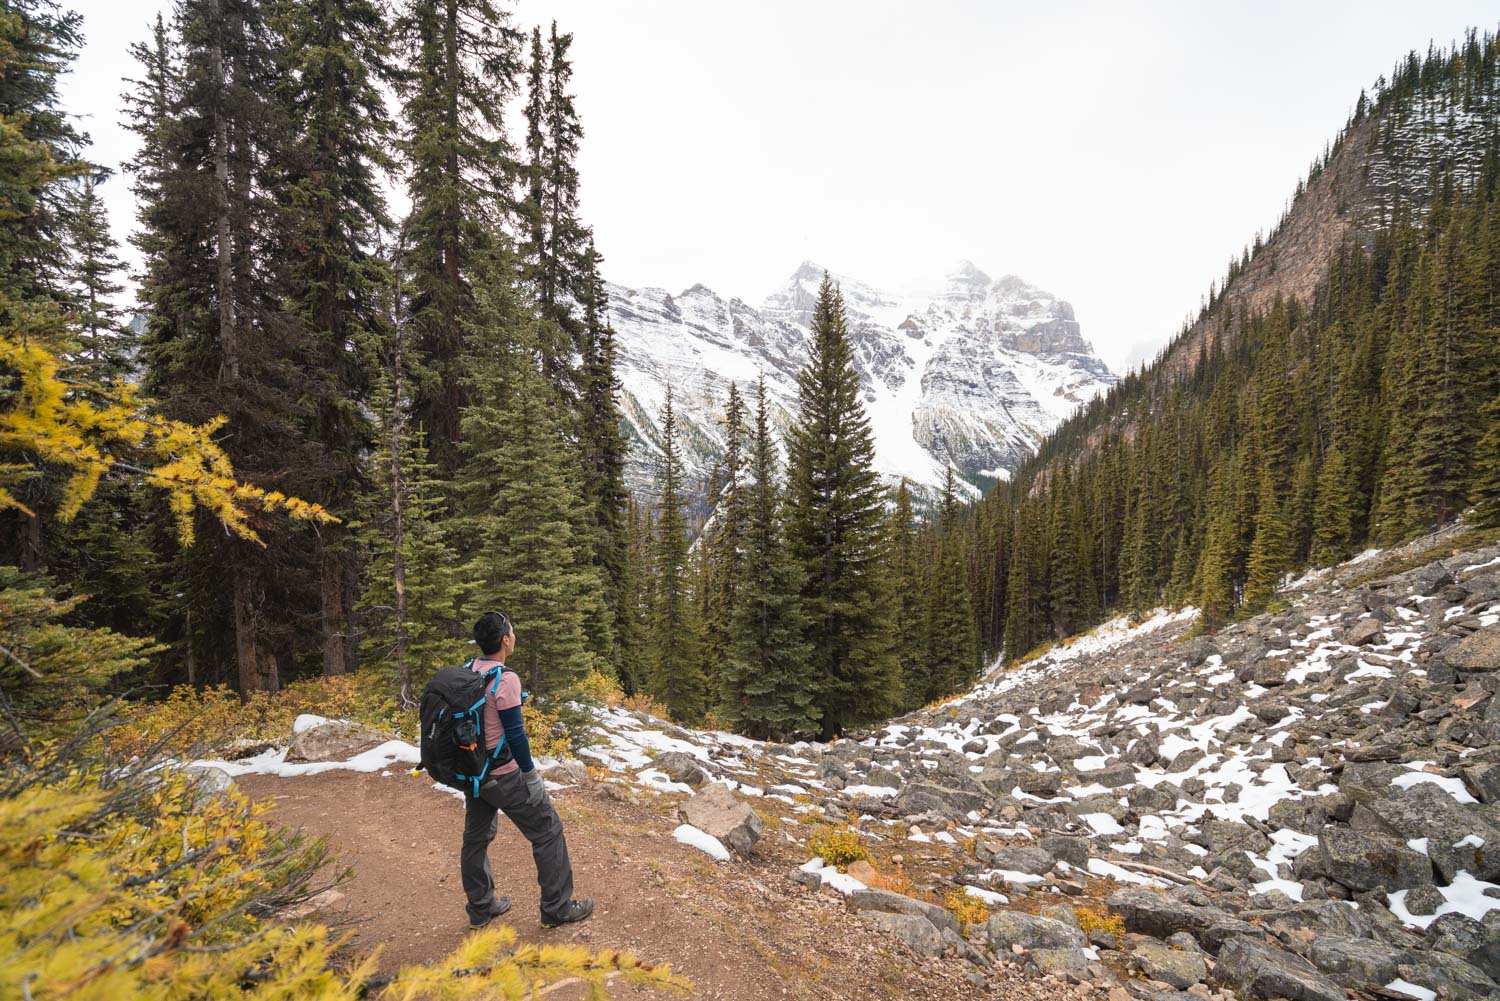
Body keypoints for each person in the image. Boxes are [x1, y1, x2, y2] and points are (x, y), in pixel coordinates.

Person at [461, 610, 594, 930]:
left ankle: (480, 908)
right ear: (505, 640)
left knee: (476, 838)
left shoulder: (469, 670)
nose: (514, 635)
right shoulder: (505, 679)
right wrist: (531, 775)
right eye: (512, 630)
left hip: (475, 773)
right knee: (547, 829)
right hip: (503, 774)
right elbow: (516, 735)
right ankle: (556, 908)